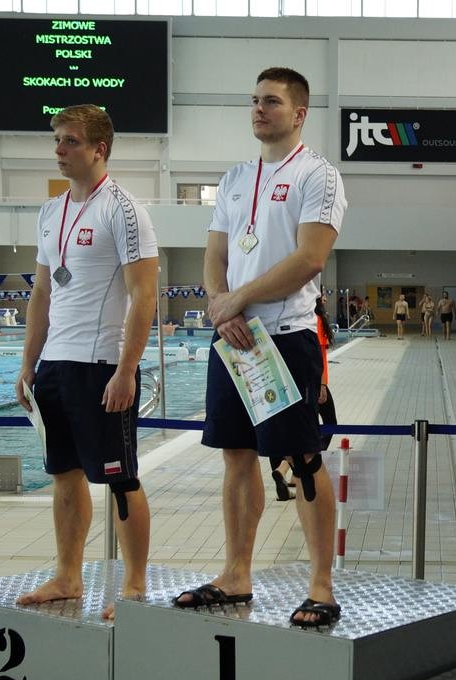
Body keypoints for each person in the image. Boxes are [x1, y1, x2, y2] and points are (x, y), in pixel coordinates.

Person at [184, 66, 347, 626]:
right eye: (254, 100)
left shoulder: (318, 176)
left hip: (286, 337)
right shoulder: (234, 178)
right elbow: (215, 253)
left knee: (302, 459)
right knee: (235, 456)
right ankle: (236, 574)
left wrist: (238, 301)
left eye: (271, 101)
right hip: (233, 340)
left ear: (299, 114)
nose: (259, 109)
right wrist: (220, 303)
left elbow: (309, 259)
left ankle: (321, 585)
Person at [14, 103, 160, 621]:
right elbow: (41, 293)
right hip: (56, 366)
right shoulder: (50, 211)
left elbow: (144, 295)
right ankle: (67, 575)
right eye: (56, 139)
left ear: (100, 149)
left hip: (101, 366)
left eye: (70, 140)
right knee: (64, 475)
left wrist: (126, 369)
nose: (59, 149)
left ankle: (135, 585)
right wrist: (29, 365)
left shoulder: (123, 210)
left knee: (121, 478)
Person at [271, 298, 338, 500]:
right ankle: (290, 468)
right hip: (311, 380)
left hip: (285, 379)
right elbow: (320, 355)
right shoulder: (312, 318)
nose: (325, 297)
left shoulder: (285, 316)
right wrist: (322, 385)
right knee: (326, 424)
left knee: (284, 428)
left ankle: (287, 475)